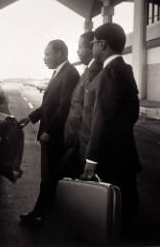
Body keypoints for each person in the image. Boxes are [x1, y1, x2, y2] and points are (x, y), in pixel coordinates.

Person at [79, 23, 141, 234]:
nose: (92, 47)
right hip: (124, 154)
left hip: (109, 159)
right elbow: (133, 113)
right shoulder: (125, 69)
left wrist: (91, 160)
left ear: (102, 44)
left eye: (93, 43)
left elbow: (101, 119)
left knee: (110, 219)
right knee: (127, 213)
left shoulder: (108, 74)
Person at [19, 39, 79, 225]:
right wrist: (30, 117)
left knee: (49, 176)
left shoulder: (68, 74)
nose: (44, 58)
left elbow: (63, 107)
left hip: (55, 136)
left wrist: (50, 131)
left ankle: (39, 214)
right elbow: (49, 105)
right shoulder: (60, 72)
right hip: (50, 133)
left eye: (47, 53)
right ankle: (49, 212)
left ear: (59, 53)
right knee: (51, 175)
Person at [58, 31, 103, 178]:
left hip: (79, 145)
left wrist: (71, 140)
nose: (77, 51)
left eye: (80, 47)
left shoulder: (94, 73)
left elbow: (86, 114)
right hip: (75, 143)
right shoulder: (88, 71)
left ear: (91, 49)